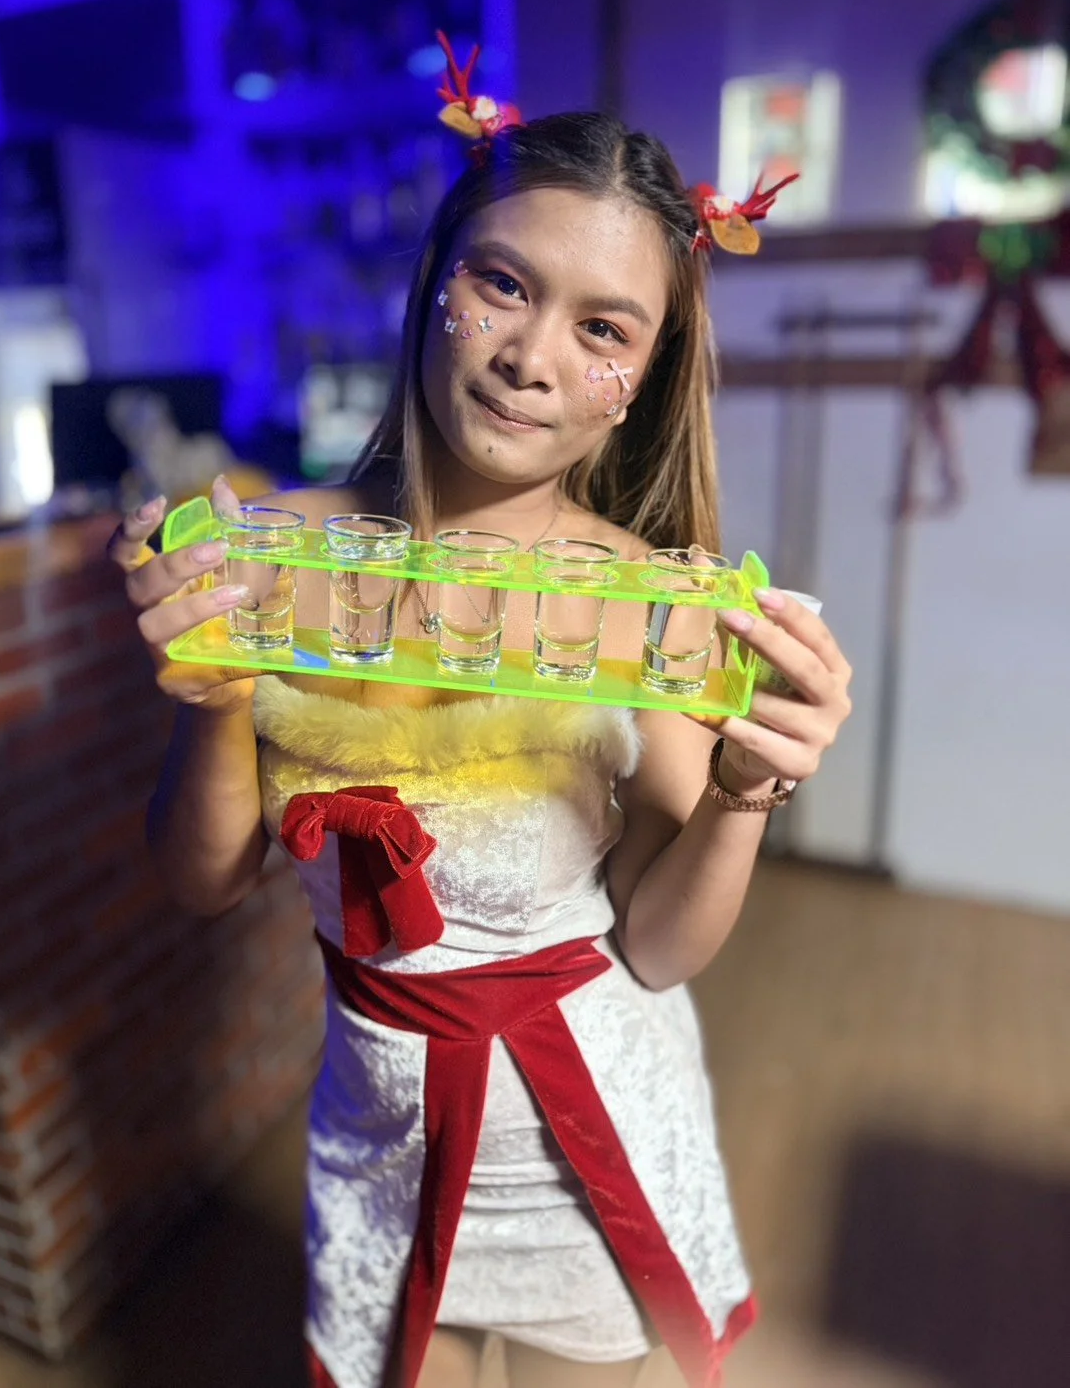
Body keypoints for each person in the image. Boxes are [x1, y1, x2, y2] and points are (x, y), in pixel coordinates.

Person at [109, 68, 852, 1388]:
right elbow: (204, 877)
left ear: (639, 379)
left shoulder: (652, 608)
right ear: (435, 283)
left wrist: (743, 791)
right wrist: (211, 691)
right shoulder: (268, 555)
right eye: (505, 284)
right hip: (380, 1125)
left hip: (592, 1127)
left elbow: (664, 951)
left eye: (604, 329)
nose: (533, 359)